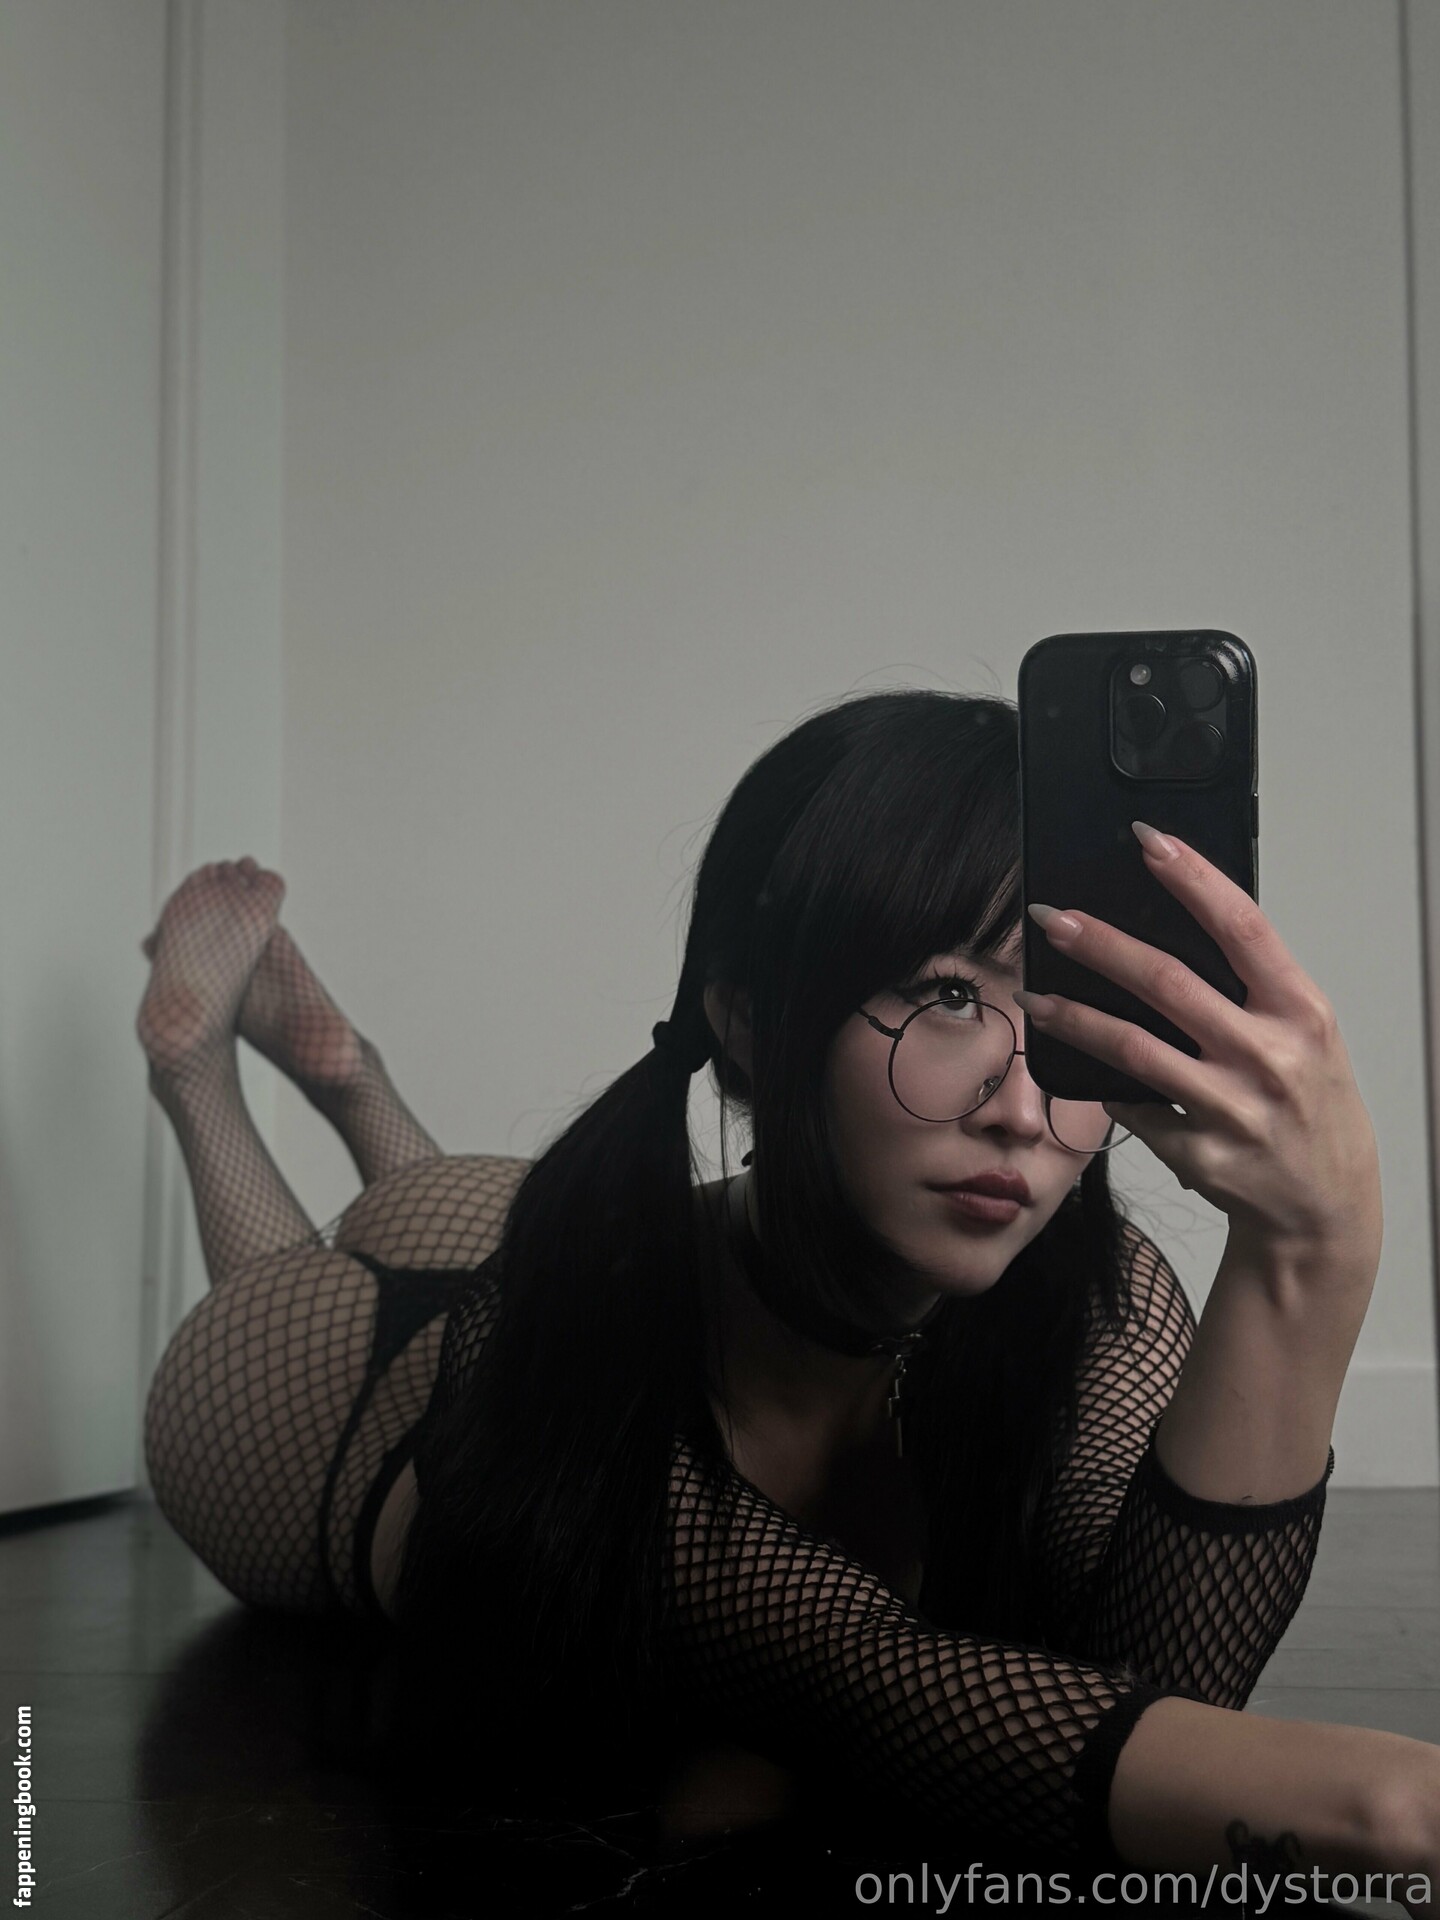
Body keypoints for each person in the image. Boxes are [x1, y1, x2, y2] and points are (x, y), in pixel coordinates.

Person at [139, 690, 1440, 1902]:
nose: (1023, 1109)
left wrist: (1307, 1250)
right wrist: (1393, 1812)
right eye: (948, 996)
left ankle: (349, 1073)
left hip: (531, 1228)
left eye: (1065, 1016)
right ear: (751, 1023)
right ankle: (196, 1072)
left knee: (512, 1226)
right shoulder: (609, 1399)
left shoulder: (1095, 1298)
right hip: (335, 1395)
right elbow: (906, 1694)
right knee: (309, 1303)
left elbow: (1167, 1687)